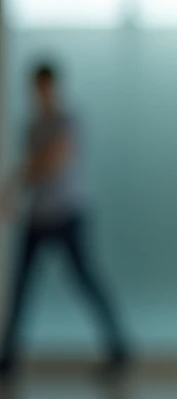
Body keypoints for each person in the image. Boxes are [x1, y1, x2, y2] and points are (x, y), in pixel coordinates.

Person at [0, 62, 128, 377]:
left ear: (54, 86)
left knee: (86, 282)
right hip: (39, 216)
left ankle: (119, 351)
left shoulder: (69, 120)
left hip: (68, 214)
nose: (40, 93)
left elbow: (56, 159)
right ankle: (9, 359)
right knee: (21, 288)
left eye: (45, 86)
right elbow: (38, 168)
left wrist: (20, 174)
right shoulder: (32, 126)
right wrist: (16, 190)